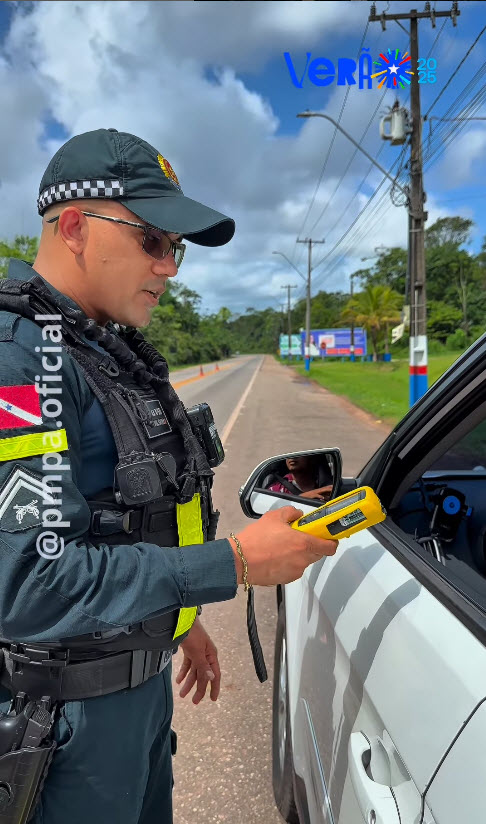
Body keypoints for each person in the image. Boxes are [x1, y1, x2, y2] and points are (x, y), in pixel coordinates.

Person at [0, 128, 338, 824]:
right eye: (152, 240)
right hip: (68, 725)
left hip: (138, 698)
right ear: (74, 227)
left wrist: (177, 625)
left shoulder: (101, 347)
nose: (169, 268)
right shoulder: (24, 363)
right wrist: (234, 562)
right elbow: (29, 583)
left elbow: (118, 515)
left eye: (174, 247)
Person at [267, 455, 334, 500]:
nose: (292, 457)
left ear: (312, 459)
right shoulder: (276, 489)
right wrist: (307, 496)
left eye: (298, 453)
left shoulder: (326, 488)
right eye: (289, 453)